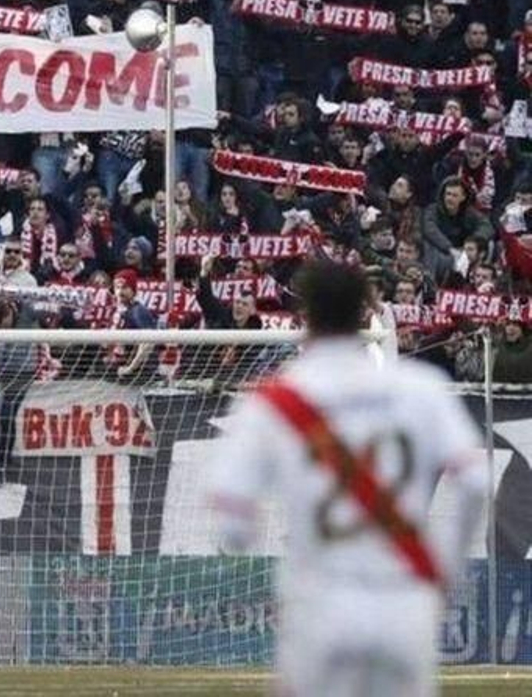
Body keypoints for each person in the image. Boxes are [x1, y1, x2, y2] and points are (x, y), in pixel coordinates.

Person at [208, 259, 488, 697]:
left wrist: (245, 536)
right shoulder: (421, 388)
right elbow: (475, 481)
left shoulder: (274, 401)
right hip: (402, 597)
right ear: (364, 309)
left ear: (306, 317)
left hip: (320, 599)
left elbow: (232, 521)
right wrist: (444, 568)